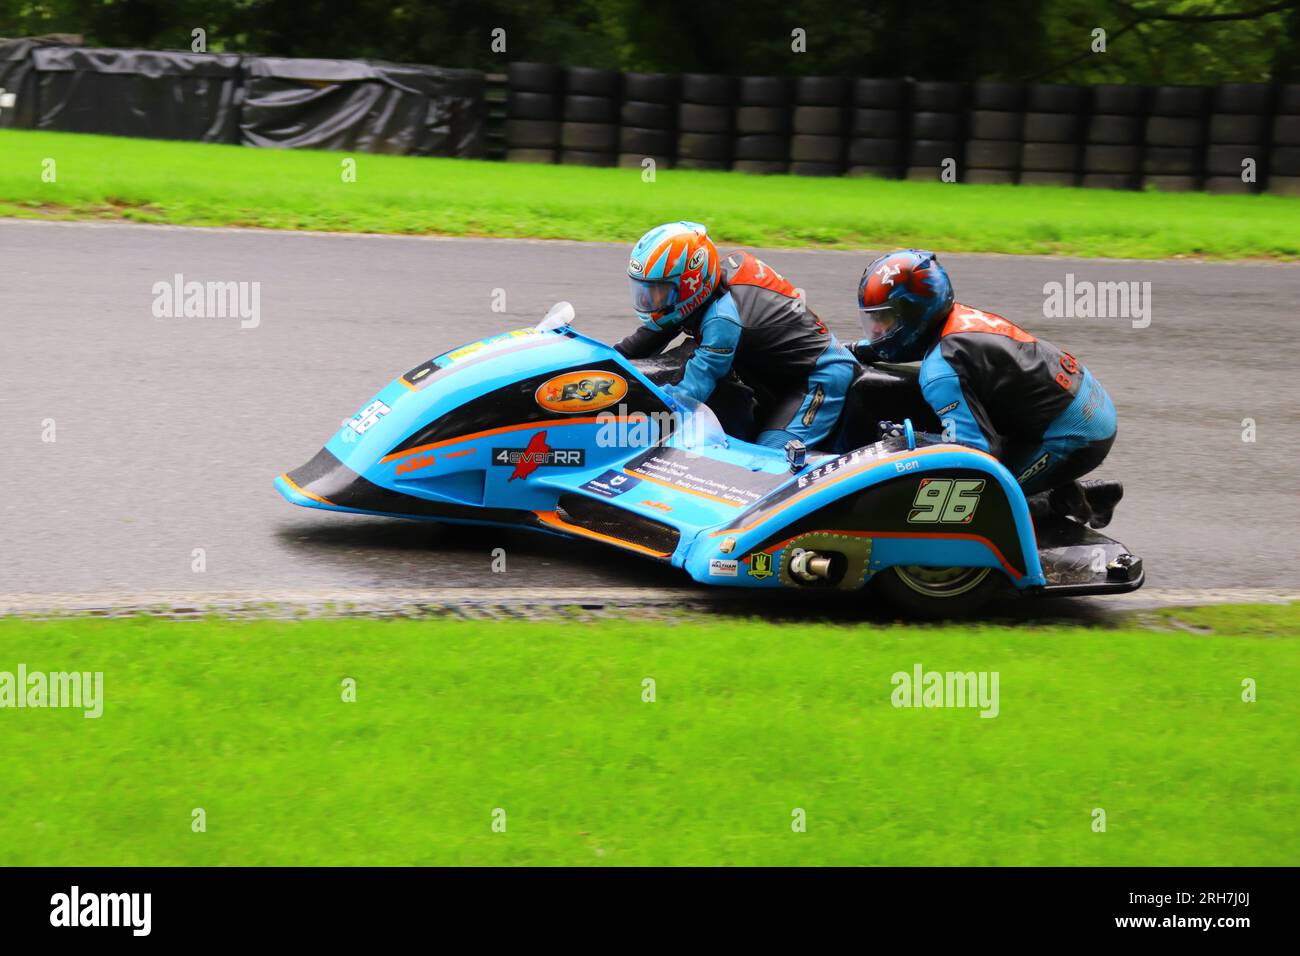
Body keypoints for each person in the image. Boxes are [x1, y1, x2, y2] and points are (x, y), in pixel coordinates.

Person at [849, 249, 1122, 527]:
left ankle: (1062, 511)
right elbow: (906, 343)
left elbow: (977, 452)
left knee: (969, 499)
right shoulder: (956, 319)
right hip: (1082, 404)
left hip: (1075, 435)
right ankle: (1075, 492)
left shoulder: (939, 372)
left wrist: (915, 441)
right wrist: (853, 350)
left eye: (885, 321)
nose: (878, 331)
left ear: (915, 313)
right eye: (874, 322)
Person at [616, 221, 857, 450]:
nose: (648, 302)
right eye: (642, 290)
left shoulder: (722, 318)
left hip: (819, 377)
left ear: (690, 285)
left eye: (658, 292)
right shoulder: (695, 296)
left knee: (771, 462)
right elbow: (633, 348)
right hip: (777, 376)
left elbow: (690, 390)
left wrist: (635, 408)